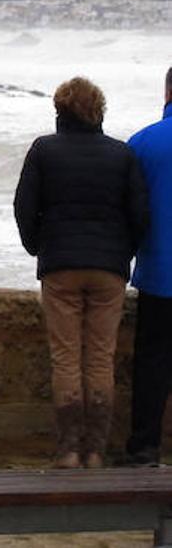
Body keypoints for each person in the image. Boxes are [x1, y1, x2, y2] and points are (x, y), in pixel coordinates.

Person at [15, 76, 148, 469]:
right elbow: (140, 215)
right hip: (109, 268)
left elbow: (24, 207)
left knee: (67, 358)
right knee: (101, 359)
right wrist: (124, 253)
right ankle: (96, 450)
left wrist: (38, 247)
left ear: (60, 111)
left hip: (61, 266)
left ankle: (69, 449)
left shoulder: (44, 150)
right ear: (99, 111)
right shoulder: (121, 155)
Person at [123, 68, 172, 467]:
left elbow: (126, 209)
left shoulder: (141, 143)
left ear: (167, 91)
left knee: (153, 362)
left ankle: (144, 447)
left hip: (159, 272)